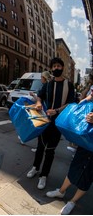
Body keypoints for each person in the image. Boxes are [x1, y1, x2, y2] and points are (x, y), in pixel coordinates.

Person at [26, 57, 75, 190]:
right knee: (40, 146)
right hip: (44, 120)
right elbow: (40, 95)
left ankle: (44, 175)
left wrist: (57, 110)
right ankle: (35, 168)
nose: (56, 69)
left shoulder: (69, 85)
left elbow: (71, 103)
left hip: (58, 122)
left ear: (62, 67)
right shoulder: (48, 84)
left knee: (50, 150)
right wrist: (38, 102)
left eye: (58, 66)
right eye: (53, 66)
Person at [45, 108, 93, 215]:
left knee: (88, 175)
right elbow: (82, 103)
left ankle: (72, 201)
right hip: (87, 140)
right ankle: (61, 191)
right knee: (75, 166)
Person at [29, 71, 53, 152]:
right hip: (50, 112)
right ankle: (44, 147)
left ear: (44, 78)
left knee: (41, 132)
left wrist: (33, 95)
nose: (40, 79)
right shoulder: (51, 85)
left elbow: (40, 99)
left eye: (41, 77)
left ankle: (40, 149)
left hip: (44, 112)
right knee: (46, 132)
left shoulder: (45, 86)